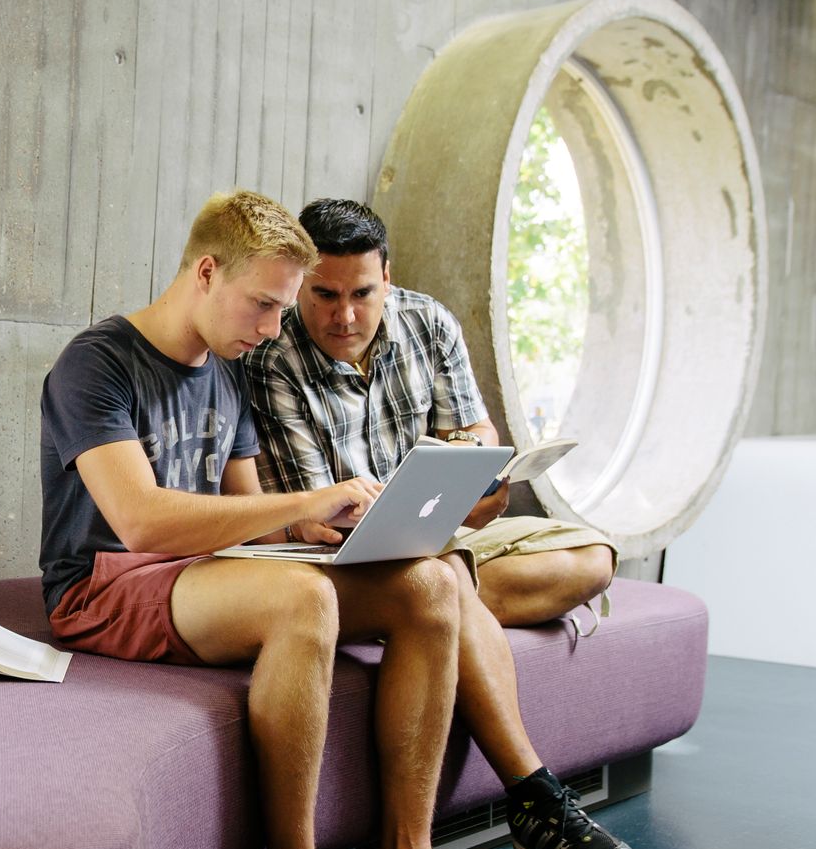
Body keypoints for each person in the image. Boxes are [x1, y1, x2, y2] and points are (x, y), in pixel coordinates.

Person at [37, 190, 638, 849]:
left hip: (205, 573)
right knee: (304, 599)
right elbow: (139, 519)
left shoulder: (224, 371)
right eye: (267, 305)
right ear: (206, 272)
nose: (274, 328)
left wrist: (320, 522)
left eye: (285, 309)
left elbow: (250, 510)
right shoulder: (96, 363)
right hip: (106, 584)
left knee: (429, 583)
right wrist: (301, 506)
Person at [242, 198, 617, 628]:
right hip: (353, 554)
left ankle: (416, 611)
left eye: (362, 293)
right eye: (325, 295)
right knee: (439, 574)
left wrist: (468, 462)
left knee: (594, 558)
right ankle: (422, 603)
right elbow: (327, 518)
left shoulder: (429, 322)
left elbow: (478, 428)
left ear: (385, 277)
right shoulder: (272, 359)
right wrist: (441, 513)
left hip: (437, 528)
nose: (344, 316)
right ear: (299, 286)